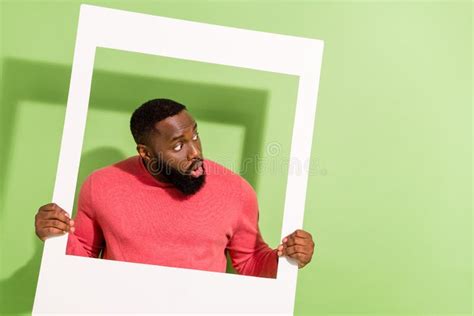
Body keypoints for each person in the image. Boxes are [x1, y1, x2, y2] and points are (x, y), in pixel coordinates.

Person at [34, 98, 315, 278]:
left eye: (196, 135)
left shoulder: (236, 191)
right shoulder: (102, 184)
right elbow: (82, 254)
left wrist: (287, 258)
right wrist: (55, 235)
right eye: (178, 145)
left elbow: (251, 261)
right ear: (145, 153)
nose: (195, 152)